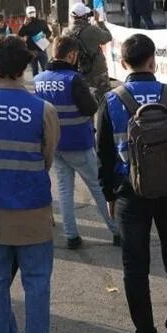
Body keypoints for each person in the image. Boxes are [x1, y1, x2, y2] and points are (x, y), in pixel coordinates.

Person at [98, 34, 167, 333]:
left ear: (124, 63)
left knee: (135, 267)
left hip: (130, 193)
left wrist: (109, 194)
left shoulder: (112, 100)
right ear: (153, 60)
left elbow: (102, 155)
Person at [0, 35, 61, 333]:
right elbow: (47, 158)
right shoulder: (43, 109)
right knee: (37, 283)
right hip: (32, 211)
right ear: (25, 66)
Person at [34, 36, 120, 249]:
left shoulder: (39, 79)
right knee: (98, 187)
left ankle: (71, 235)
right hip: (79, 143)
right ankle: (117, 231)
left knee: (64, 190)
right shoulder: (74, 79)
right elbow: (90, 108)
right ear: (71, 55)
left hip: (56, 144)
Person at [63, 3, 113, 107]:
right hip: (97, 71)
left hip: (77, 71)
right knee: (105, 102)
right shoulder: (92, 30)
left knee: (83, 103)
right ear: (85, 16)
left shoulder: (66, 32)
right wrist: (99, 22)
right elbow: (108, 37)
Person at [18, 6, 53, 75]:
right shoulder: (26, 24)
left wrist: (44, 36)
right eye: (30, 13)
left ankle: (46, 83)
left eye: (33, 12)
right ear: (27, 14)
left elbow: (48, 32)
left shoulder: (41, 22)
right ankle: (37, 85)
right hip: (31, 50)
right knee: (34, 70)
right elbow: (20, 34)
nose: (32, 14)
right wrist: (24, 25)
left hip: (41, 48)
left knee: (45, 69)